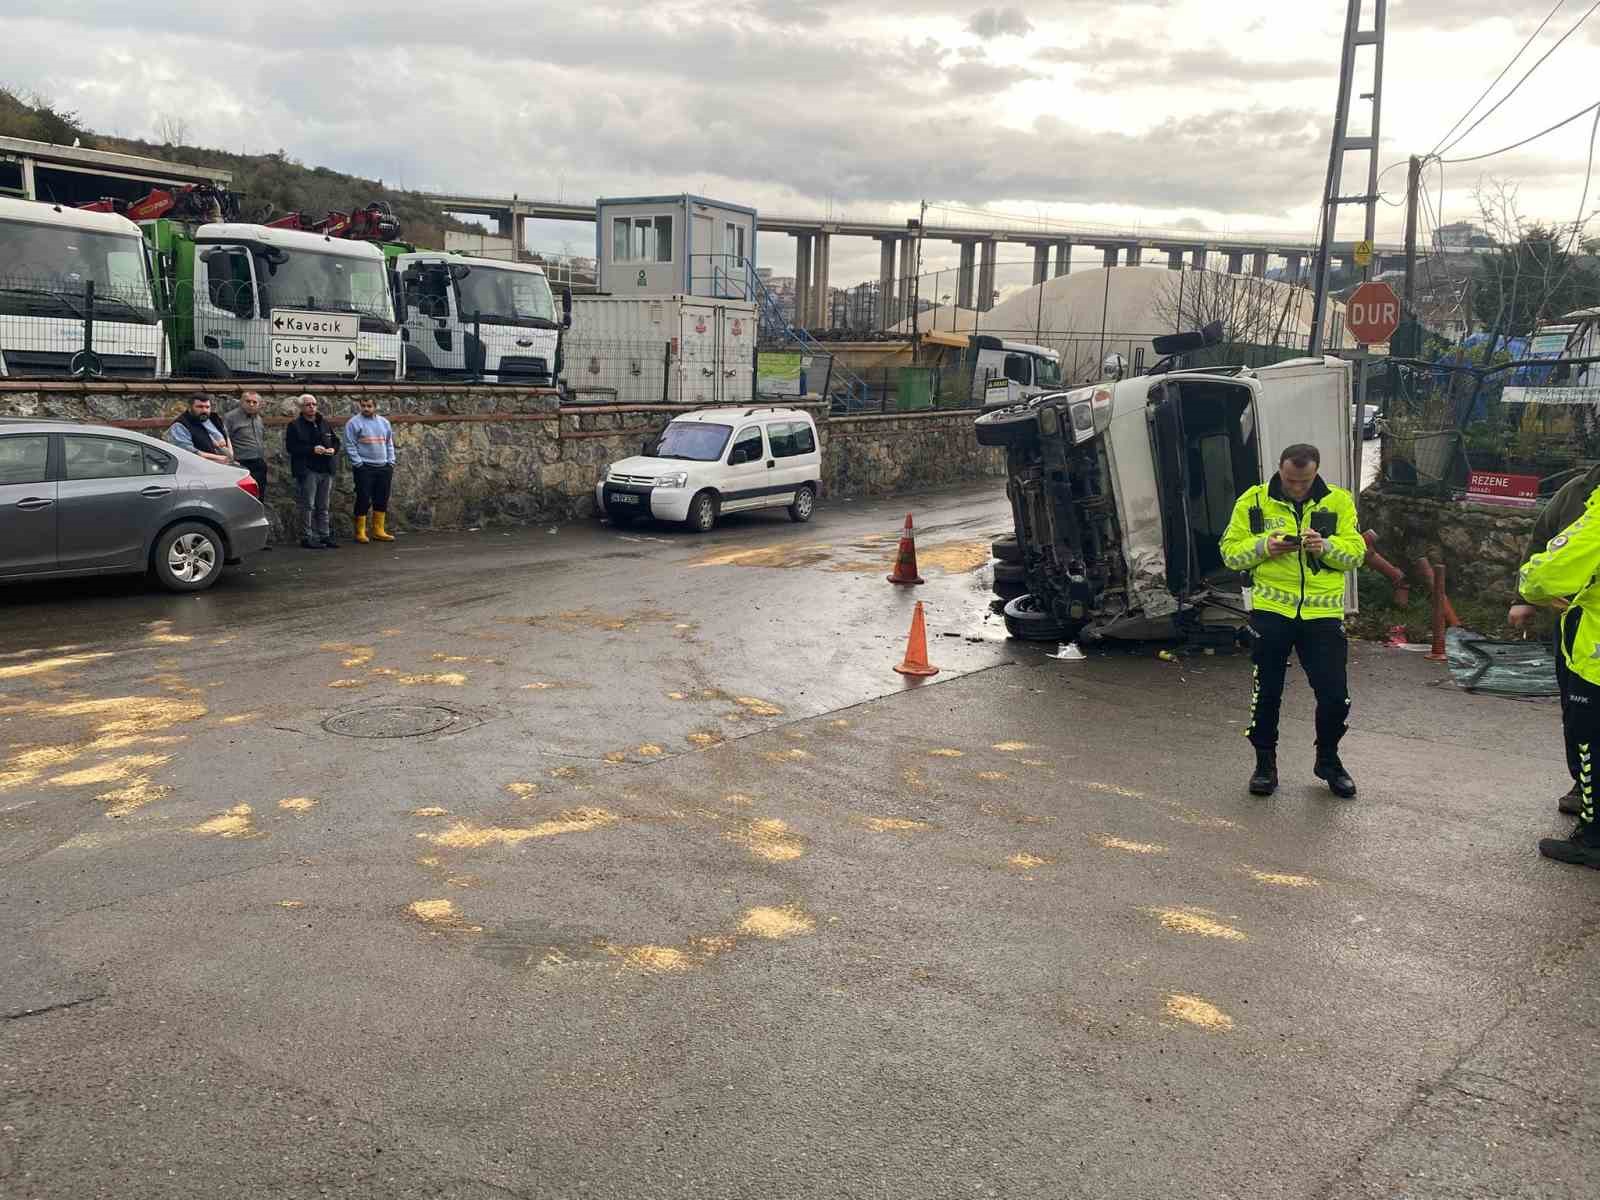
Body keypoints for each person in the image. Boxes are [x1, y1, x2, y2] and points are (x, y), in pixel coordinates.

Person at [1220, 444, 1366, 798]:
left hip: (1322, 616)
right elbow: (1229, 553)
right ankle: (1264, 765)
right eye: (1290, 480)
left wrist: (1325, 547)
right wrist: (1263, 547)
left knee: (1335, 697)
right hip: (1272, 612)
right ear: (1279, 470)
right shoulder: (1253, 501)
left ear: (1315, 472)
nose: (1297, 487)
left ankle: (1328, 760)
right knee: (1267, 693)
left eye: (1304, 481)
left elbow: (1357, 555)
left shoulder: (1339, 501)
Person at [1507, 461, 1600, 817]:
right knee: (1579, 716)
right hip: (1578, 630)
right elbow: (1542, 542)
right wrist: (1524, 599)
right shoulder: (1578, 491)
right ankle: (1584, 786)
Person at [284, 393, 339, 550]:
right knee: (308, 505)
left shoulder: (324, 423)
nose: (312, 407)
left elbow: (336, 441)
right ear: (301, 407)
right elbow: (291, 447)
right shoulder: (294, 425)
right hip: (308, 470)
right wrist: (312, 449)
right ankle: (307, 537)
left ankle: (324, 535)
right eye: (308, 404)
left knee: (323, 505)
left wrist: (332, 449)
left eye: (314, 404)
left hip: (326, 469)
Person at [342, 396, 397, 544]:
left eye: (369, 406)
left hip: (384, 467)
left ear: (376, 407)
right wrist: (358, 463)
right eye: (363, 406)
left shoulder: (384, 423)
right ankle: (360, 531)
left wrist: (390, 462)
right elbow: (350, 444)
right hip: (364, 467)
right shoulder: (353, 423)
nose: (366, 409)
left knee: (382, 498)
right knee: (363, 498)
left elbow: (389, 443)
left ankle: (378, 530)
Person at [223, 391, 273, 549]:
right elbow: (224, 440)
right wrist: (232, 461)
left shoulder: (258, 418)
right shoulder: (231, 418)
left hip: (258, 463)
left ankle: (257, 540)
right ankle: (239, 541)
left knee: (259, 501)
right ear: (241, 402)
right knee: (241, 502)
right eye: (248, 401)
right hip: (241, 465)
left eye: (255, 402)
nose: (251, 404)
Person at [166, 395, 233, 464]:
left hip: (226, 463)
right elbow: (187, 451)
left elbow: (226, 435)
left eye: (207, 407)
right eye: (200, 407)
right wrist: (221, 458)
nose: (204, 410)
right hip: (200, 466)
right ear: (190, 408)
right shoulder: (180, 425)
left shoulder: (214, 418)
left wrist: (231, 454)